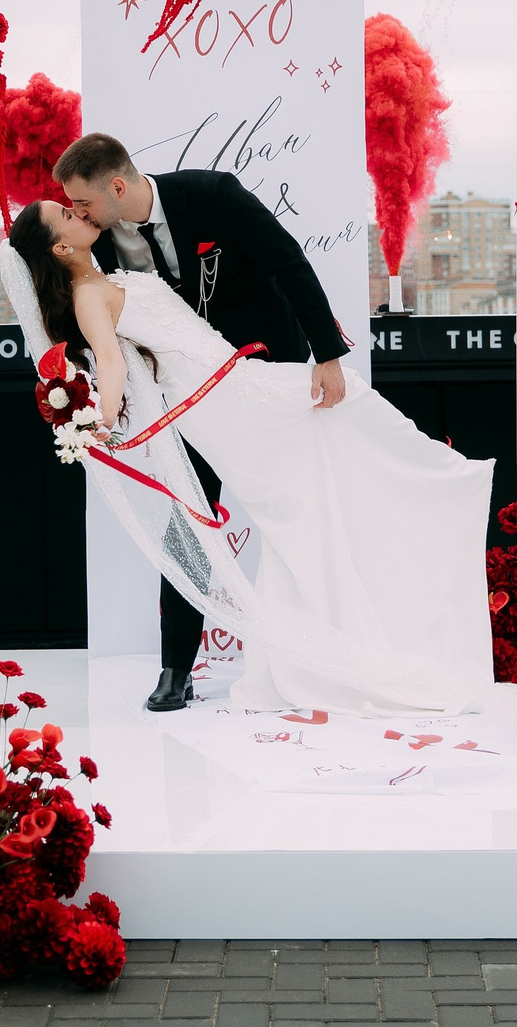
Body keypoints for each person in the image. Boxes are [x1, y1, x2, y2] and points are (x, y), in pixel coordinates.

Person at [7, 191, 495, 718]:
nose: (75, 210)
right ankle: (441, 484)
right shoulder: (87, 296)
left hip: (239, 379)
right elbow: (111, 362)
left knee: (312, 492)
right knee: (337, 427)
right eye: (63, 213)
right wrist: (99, 421)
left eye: (74, 201)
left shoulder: (111, 269)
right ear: (58, 249)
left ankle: (339, 642)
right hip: (222, 402)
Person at [53, 134, 354, 711]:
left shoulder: (212, 194)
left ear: (117, 187)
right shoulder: (97, 249)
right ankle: (176, 668)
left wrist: (328, 356)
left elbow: (288, 260)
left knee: (295, 509)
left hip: (269, 375)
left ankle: (320, 649)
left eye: (83, 203)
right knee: (189, 518)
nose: (79, 214)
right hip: (191, 395)